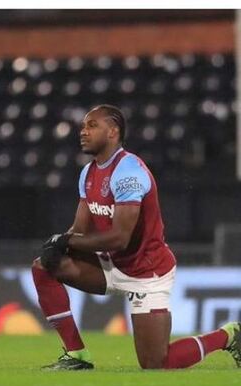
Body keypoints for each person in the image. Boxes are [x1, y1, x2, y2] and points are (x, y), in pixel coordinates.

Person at [32, 104, 240, 370]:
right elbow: (81, 230)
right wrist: (61, 244)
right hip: (112, 265)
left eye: (92, 125)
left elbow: (120, 238)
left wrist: (66, 241)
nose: (83, 131)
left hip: (147, 272)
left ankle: (229, 335)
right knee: (43, 265)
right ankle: (77, 356)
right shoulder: (88, 173)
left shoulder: (129, 172)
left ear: (113, 132)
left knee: (156, 363)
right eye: (83, 126)